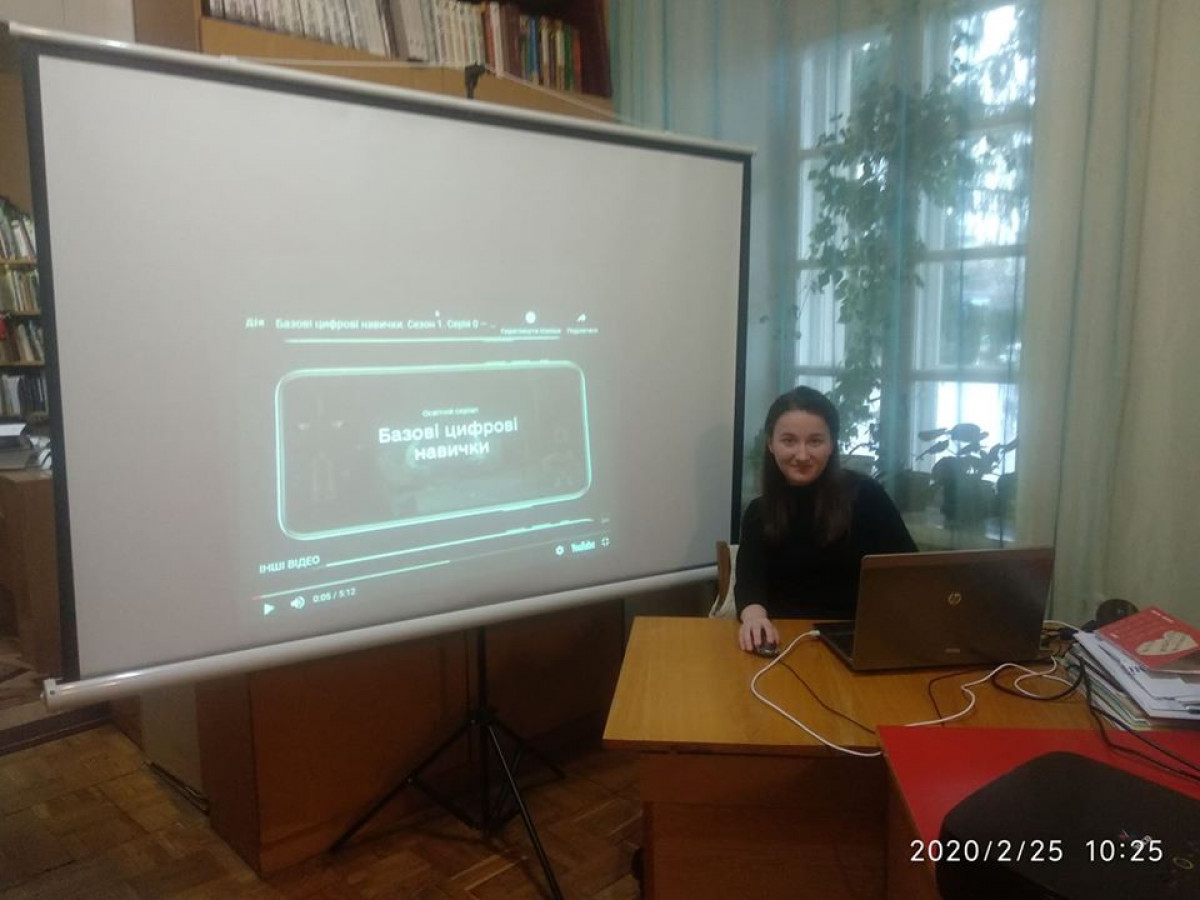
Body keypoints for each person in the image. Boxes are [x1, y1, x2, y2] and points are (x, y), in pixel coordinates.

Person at [736, 386, 916, 653]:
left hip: (859, 640)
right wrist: (754, 618)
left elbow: (908, 571)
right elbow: (749, 585)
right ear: (770, 444)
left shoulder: (867, 497)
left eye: (815, 441)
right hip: (783, 642)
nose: (802, 455)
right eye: (789, 441)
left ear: (832, 445)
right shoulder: (758, 512)